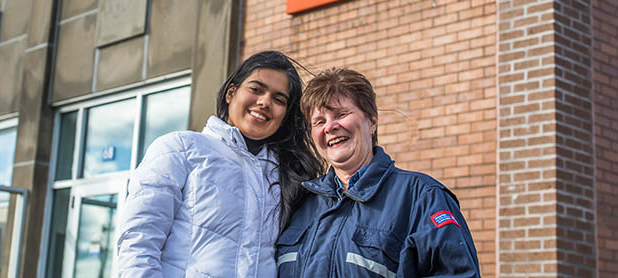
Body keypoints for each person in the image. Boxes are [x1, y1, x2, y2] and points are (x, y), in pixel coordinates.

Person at [116, 51, 321, 278]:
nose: (265, 102)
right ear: (231, 93)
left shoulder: (288, 175)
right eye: (256, 89)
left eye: (278, 99)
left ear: (285, 115)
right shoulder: (180, 149)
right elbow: (138, 242)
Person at [277, 68, 480, 277]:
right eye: (319, 122)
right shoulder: (299, 203)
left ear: (372, 121)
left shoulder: (421, 197)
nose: (330, 127)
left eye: (341, 114)